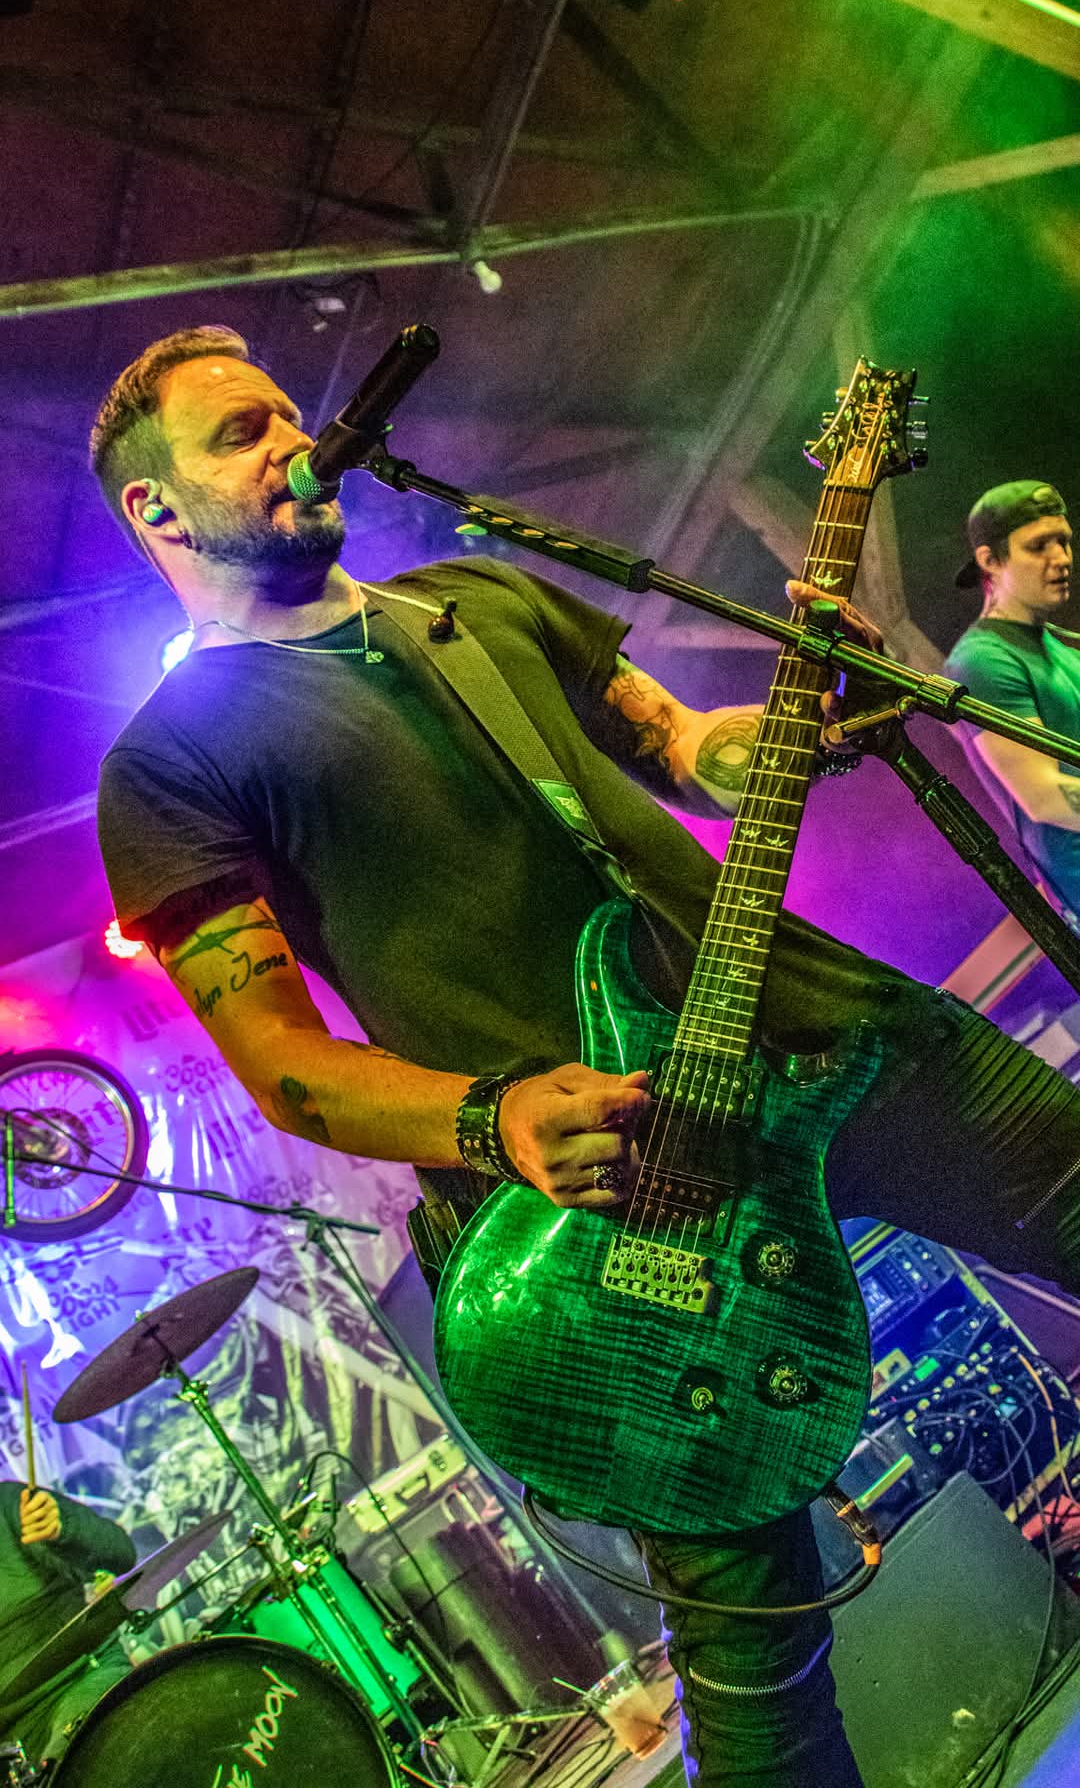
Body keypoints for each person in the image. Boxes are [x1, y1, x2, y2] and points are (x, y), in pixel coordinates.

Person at [92, 328, 1080, 1788]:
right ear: (159, 510)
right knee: (757, 1663)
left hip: (822, 1033)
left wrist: (802, 720)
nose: (292, 439)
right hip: (616, 1209)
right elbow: (286, 1069)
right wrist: (494, 1119)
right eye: (241, 433)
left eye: (289, 413)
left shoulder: (476, 599)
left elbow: (685, 751)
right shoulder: (169, 762)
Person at [945, 480, 1080, 923]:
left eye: (1063, 541)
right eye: (1038, 546)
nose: (1061, 558)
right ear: (990, 561)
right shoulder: (982, 659)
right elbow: (1044, 797)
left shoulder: (1061, 646)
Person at [0, 1481, 135, 1767]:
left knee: (82, 1760)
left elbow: (121, 1553)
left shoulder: (10, 1504)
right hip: (14, 1743)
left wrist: (63, 1529)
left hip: (83, 1677)